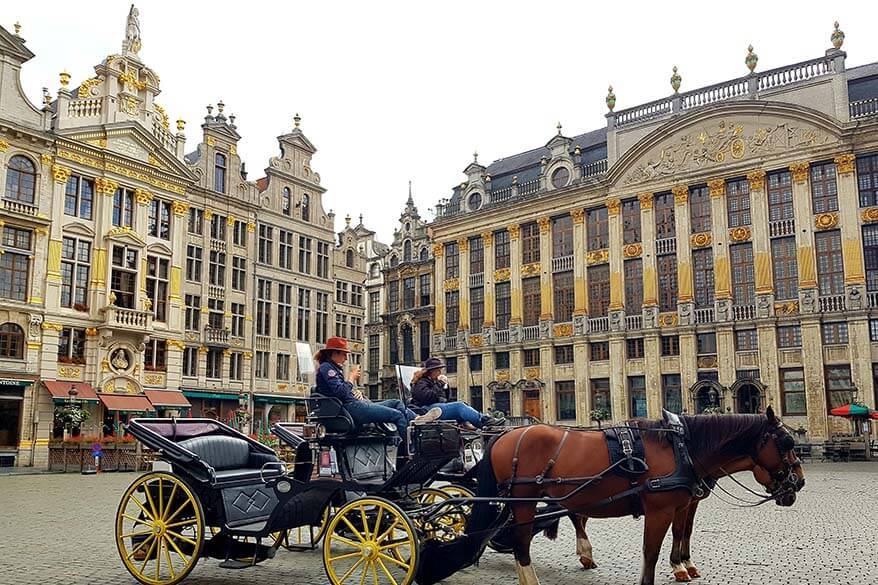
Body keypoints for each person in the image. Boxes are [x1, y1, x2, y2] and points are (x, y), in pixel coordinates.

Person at [314, 337, 441, 444]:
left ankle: (418, 418)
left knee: (397, 403)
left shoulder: (332, 368)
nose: (346, 358)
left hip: (355, 404)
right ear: (334, 353)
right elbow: (340, 391)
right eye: (344, 354)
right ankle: (411, 448)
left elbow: (341, 391)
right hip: (351, 407)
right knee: (397, 416)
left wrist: (354, 391)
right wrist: (351, 378)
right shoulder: (327, 369)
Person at [410, 357, 505, 429]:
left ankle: (476, 422)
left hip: (436, 407)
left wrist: (445, 387)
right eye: (438, 370)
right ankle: (484, 421)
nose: (440, 372)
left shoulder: (433, 382)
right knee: (459, 406)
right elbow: (427, 397)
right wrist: (440, 384)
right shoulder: (421, 382)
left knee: (463, 404)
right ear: (431, 371)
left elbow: (445, 399)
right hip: (427, 410)